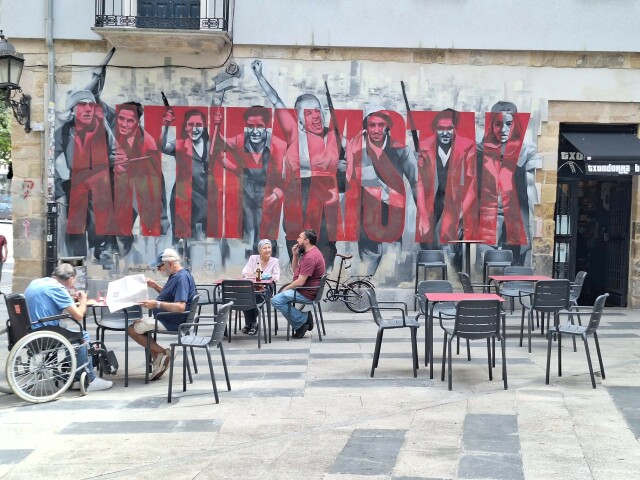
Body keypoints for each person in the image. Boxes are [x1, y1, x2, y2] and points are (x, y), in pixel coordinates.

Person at [252, 60, 343, 269]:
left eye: (317, 111)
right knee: (294, 235)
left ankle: (322, 276)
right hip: (296, 190)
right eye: (308, 113)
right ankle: (297, 274)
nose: (315, 116)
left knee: (325, 237)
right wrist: (259, 76)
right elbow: (276, 101)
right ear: (299, 117)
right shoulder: (293, 132)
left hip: (323, 191)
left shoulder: (331, 136)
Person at [345, 106, 417, 276]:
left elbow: (417, 181)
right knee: (366, 270)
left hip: (393, 220)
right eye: (372, 125)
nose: (376, 130)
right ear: (366, 127)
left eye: (381, 125)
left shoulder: (401, 151)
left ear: (387, 126)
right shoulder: (355, 151)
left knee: (389, 271)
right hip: (366, 219)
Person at [211, 106, 286, 258]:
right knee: (250, 235)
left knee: (267, 238)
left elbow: (286, 176)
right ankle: (250, 269)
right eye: (250, 126)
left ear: (266, 127)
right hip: (248, 196)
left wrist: (276, 195)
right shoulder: (240, 139)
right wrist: (217, 125)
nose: (255, 131)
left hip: (269, 197)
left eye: (260, 126)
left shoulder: (278, 146)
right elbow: (218, 147)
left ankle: (270, 270)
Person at [24, 263, 113, 392]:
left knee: (65, 328)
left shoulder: (37, 282)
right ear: (70, 279)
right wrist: (83, 301)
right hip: (44, 333)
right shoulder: (58, 289)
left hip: (28, 331)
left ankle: (70, 374)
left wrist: (70, 299)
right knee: (82, 336)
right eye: (74, 281)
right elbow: (78, 316)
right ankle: (90, 379)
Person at [476, 101, 541, 266]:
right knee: (487, 261)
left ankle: (514, 288)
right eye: (498, 124)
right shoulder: (479, 152)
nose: (503, 130)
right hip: (489, 214)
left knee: (518, 259)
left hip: (517, 213)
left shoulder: (527, 152)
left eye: (509, 124)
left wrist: (537, 220)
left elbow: (532, 185)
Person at [128, 248, 196, 380]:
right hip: (168, 317)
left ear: (170, 263)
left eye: (160, 266)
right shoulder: (179, 275)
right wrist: (155, 286)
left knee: (131, 329)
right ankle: (158, 360)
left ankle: (163, 353)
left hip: (172, 320)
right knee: (139, 325)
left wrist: (156, 304)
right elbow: (169, 296)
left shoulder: (180, 278)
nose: (158, 270)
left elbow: (180, 306)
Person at [161, 109, 211, 243]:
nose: (194, 129)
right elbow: (161, 146)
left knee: (201, 242)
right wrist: (166, 125)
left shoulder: (211, 145)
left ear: (204, 126)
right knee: (181, 242)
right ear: (185, 126)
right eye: (190, 124)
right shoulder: (180, 144)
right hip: (182, 200)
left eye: (198, 125)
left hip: (204, 200)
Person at [270, 229, 325, 338]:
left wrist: (286, 289)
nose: (297, 240)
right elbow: (296, 272)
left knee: (276, 300)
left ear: (306, 241)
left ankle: (303, 319)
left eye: (300, 237)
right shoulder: (310, 252)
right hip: (306, 290)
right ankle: (300, 323)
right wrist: (295, 256)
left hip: (307, 293)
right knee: (279, 299)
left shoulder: (310, 257)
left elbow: (300, 282)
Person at [240, 239, 280, 335]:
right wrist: (254, 275)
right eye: (264, 248)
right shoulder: (253, 258)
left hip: (266, 289)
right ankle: (252, 323)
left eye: (269, 247)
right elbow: (245, 272)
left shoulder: (275, 261)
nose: (267, 250)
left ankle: (250, 324)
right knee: (244, 296)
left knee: (257, 296)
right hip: (252, 287)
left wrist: (259, 276)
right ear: (259, 250)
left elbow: (276, 277)